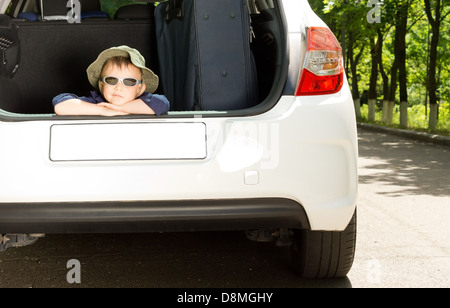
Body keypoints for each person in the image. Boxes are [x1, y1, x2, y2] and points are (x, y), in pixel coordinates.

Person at [52, 45, 169, 116]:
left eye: (129, 81)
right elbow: (61, 105)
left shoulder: (144, 102)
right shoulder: (95, 102)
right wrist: (102, 110)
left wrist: (121, 108)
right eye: (111, 80)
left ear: (140, 88)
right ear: (101, 85)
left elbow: (163, 103)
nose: (119, 87)